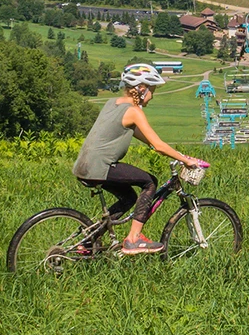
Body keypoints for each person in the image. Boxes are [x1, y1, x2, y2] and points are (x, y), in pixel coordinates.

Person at [72, 63, 207, 255]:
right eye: (152, 90)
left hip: (84, 165)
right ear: (141, 89)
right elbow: (158, 145)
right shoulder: (134, 111)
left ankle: (88, 242)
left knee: (129, 198)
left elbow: (141, 136)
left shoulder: (113, 103)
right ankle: (134, 239)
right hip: (100, 166)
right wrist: (186, 161)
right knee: (150, 182)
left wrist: (175, 154)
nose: (153, 95)